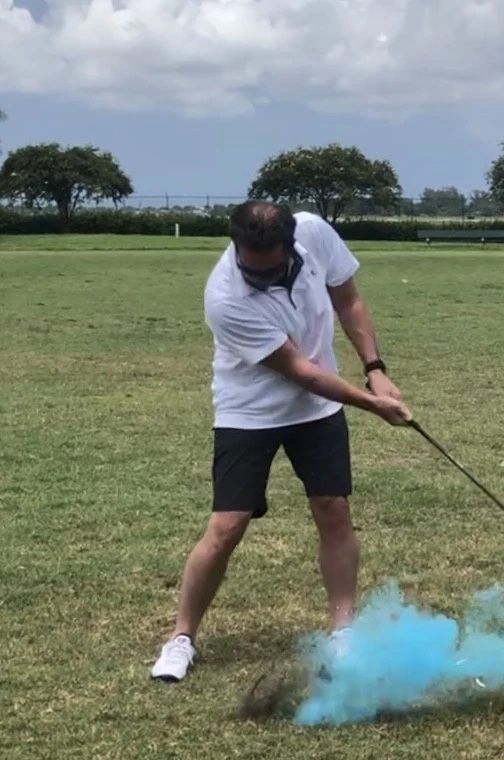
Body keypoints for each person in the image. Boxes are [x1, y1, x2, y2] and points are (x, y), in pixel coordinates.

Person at [151, 200, 412, 683]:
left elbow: (348, 298)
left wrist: (375, 369)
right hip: (248, 411)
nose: (263, 280)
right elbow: (302, 372)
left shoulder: (313, 233)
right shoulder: (225, 298)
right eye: (254, 273)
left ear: (292, 245)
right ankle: (180, 639)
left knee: (334, 509)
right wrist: (373, 403)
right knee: (228, 526)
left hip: (318, 411)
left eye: (272, 271)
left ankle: (343, 632)